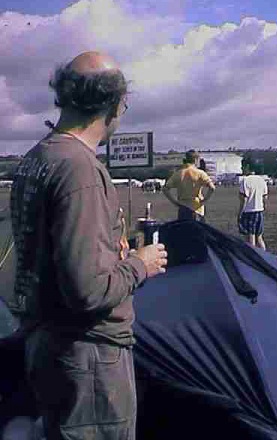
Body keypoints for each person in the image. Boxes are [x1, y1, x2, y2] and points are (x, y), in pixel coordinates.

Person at [10, 51, 168, 440]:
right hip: (89, 357)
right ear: (113, 105)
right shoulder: (79, 167)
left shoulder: (37, 157)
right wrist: (140, 265)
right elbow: (87, 291)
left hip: (48, 342)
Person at [162, 150, 215, 222]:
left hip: (183, 209)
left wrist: (174, 202)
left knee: (184, 232)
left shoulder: (178, 173)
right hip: (197, 209)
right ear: (196, 160)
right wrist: (204, 200)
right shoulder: (200, 173)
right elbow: (212, 188)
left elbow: (165, 189)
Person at [238, 168, 268, 250]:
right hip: (259, 211)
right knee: (259, 237)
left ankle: (252, 256)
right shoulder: (262, 180)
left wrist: (240, 213)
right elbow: (265, 197)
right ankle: (265, 256)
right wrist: (263, 206)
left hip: (249, 211)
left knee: (250, 236)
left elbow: (243, 199)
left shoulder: (245, 181)